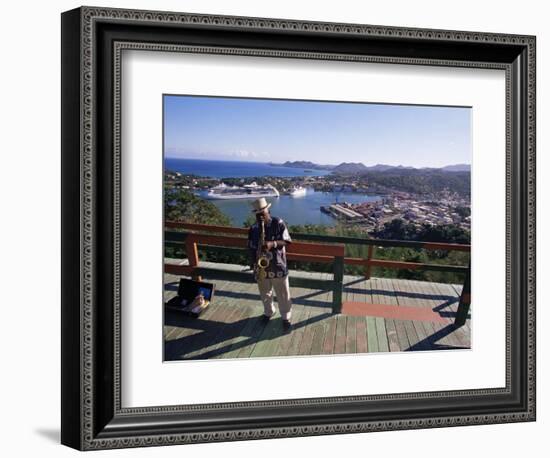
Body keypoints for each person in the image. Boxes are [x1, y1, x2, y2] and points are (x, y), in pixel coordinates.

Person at [247, 197, 293, 332]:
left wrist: (272, 244)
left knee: (283, 294)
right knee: (264, 293)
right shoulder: (254, 228)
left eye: (263, 211)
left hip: (278, 265)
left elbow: (287, 241)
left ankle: (286, 317)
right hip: (262, 267)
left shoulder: (278, 223)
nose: (261, 214)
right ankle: (268, 312)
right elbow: (250, 247)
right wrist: (253, 264)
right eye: (258, 212)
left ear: (268, 209)